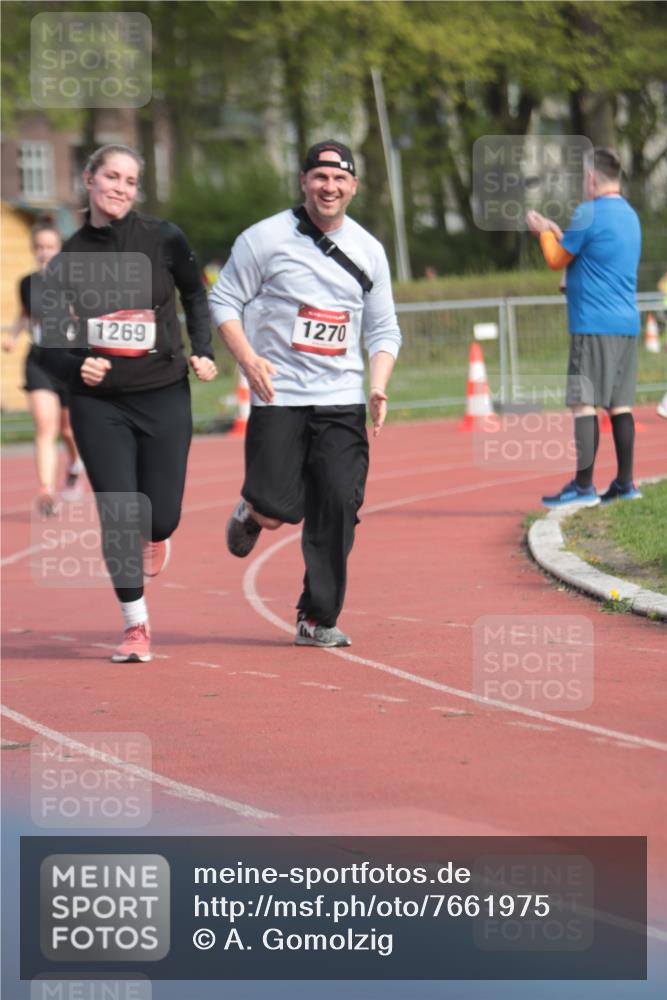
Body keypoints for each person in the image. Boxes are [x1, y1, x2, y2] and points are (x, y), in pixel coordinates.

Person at [209, 139, 401, 647]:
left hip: (340, 398)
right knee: (276, 509)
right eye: (320, 177)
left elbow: (384, 331)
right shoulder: (264, 239)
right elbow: (223, 299)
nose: (329, 187)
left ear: (354, 187)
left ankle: (317, 617)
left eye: (340, 180)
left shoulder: (369, 251)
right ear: (303, 182)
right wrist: (248, 359)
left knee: (337, 504)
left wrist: (378, 386)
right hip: (280, 395)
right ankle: (253, 512)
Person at [40, 144, 217, 662]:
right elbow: (49, 343)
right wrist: (78, 366)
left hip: (162, 391)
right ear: (89, 179)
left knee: (159, 517)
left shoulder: (163, 238)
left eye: (130, 180)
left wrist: (202, 350)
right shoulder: (69, 257)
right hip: (100, 404)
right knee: (118, 513)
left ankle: (157, 534)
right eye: (111, 176)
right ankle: (135, 625)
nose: (120, 187)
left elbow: (196, 295)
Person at [526, 147, 642, 507]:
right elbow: (591, 258)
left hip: (593, 323)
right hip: (626, 323)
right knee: (620, 404)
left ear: (591, 178)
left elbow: (556, 259)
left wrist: (544, 231)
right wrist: (562, 234)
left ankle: (583, 485)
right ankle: (625, 483)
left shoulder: (588, 213)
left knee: (584, 403)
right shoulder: (630, 215)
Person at [2, 223, 84, 516]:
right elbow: (24, 315)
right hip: (39, 360)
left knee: (69, 430)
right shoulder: (27, 283)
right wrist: (12, 336)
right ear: (33, 249)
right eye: (39, 247)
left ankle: (74, 466)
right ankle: (46, 491)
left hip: (69, 359)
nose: (44, 253)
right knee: (44, 426)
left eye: (50, 247)